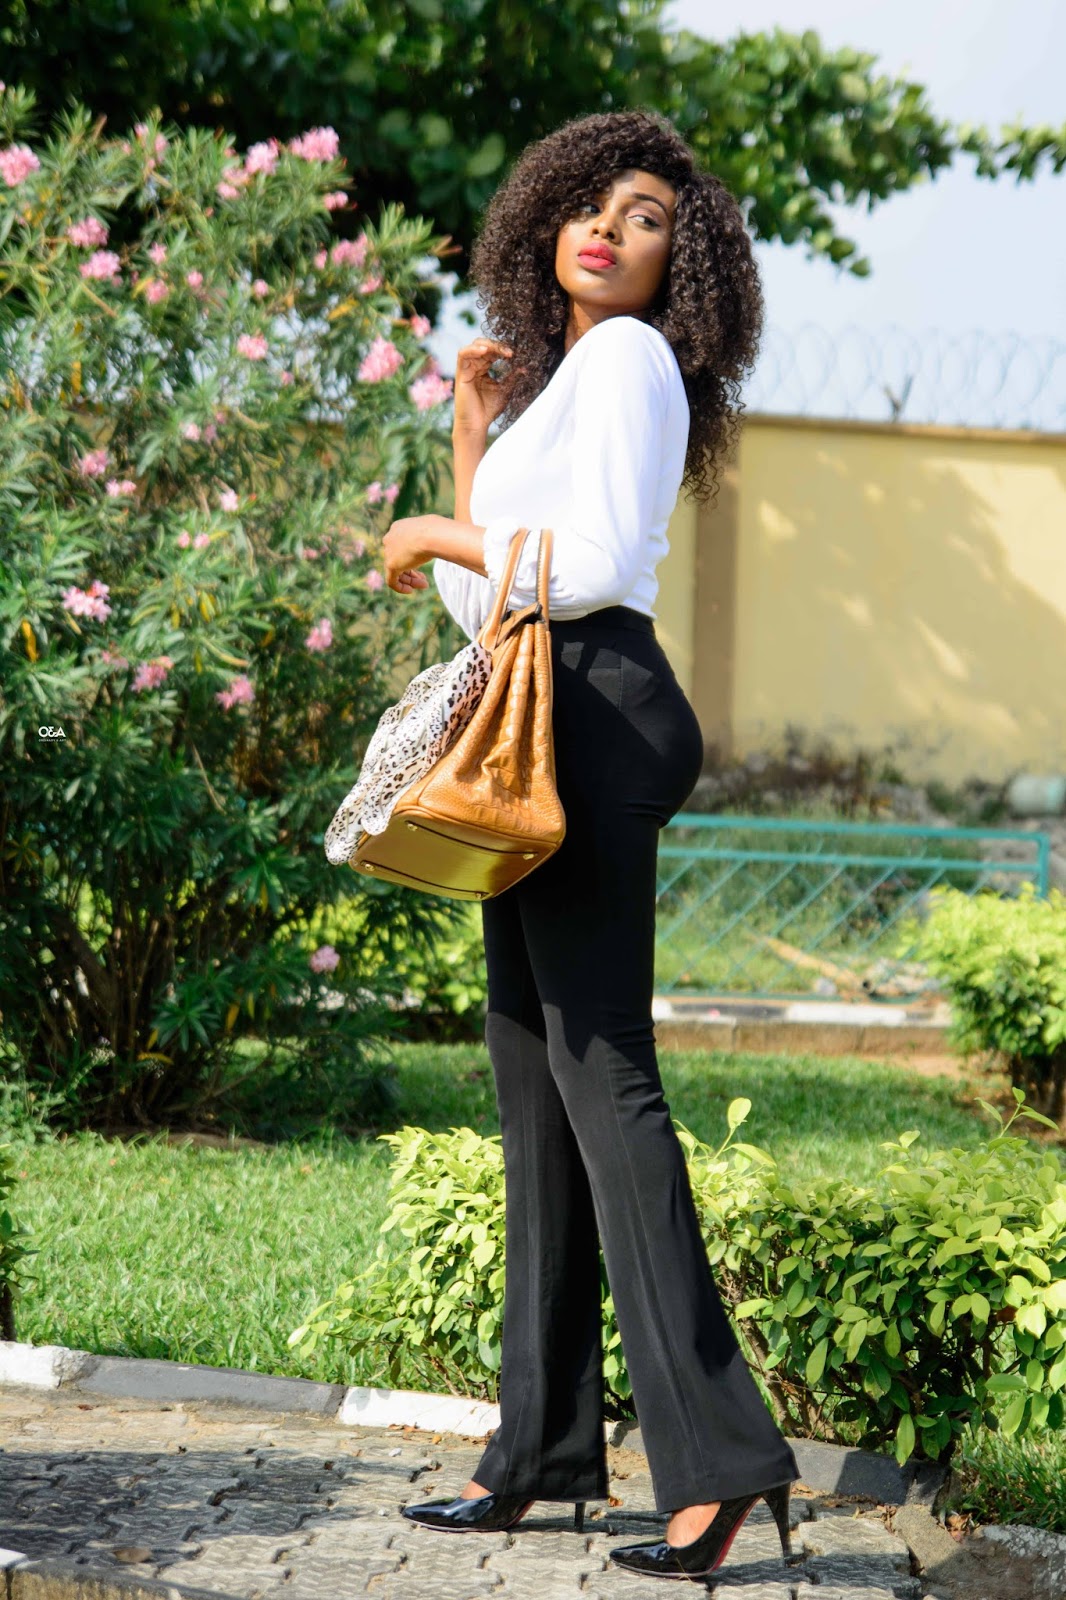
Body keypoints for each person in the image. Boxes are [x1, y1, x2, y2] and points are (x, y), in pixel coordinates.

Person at [379, 107, 800, 1583]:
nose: (610, 231)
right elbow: (492, 607)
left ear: (682, 267)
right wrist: (470, 440)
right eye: (593, 206)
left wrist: (439, 530)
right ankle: (540, 1454)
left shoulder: (628, 361)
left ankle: (722, 1466)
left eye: (647, 220)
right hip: (544, 713)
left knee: (603, 1077)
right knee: (534, 1078)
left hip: (599, 717)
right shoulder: (563, 384)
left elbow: (600, 568)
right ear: (546, 218)